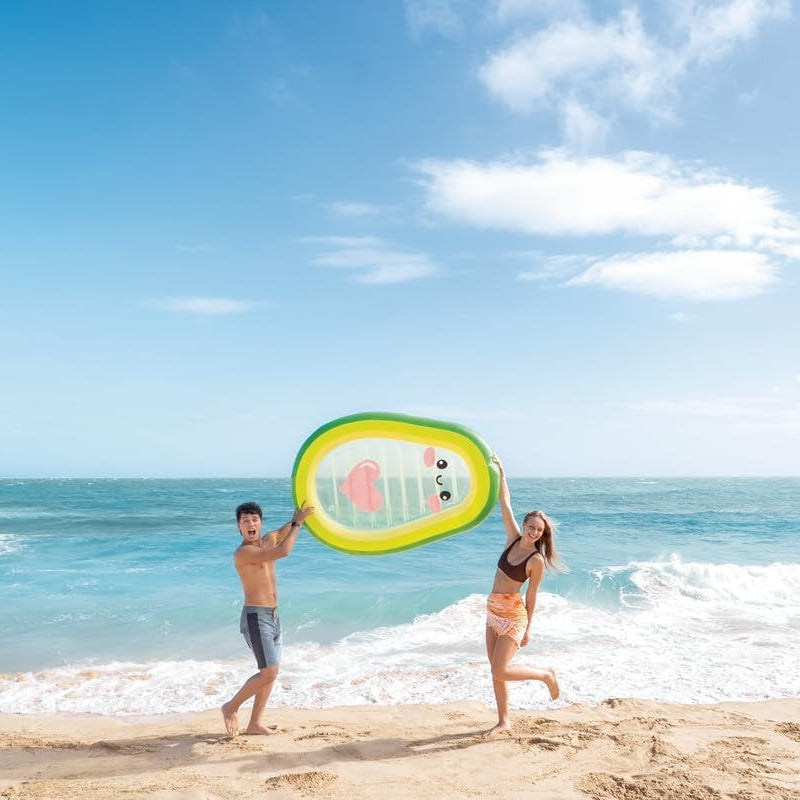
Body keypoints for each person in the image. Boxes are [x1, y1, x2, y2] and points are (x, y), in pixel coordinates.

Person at [221, 499, 314, 736]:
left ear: (260, 523)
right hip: (255, 617)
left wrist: (297, 519)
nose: (250, 524)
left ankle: (255, 724)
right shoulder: (243, 553)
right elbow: (283, 551)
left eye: (254, 519)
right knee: (269, 672)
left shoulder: (269, 538)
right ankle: (230, 707)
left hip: (273, 615)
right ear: (238, 528)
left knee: (269, 674)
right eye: (245, 521)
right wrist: (298, 525)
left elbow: (288, 528)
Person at [485, 456, 563, 736]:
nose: (533, 532)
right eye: (530, 527)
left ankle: (545, 675)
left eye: (538, 530)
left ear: (542, 535)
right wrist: (502, 473)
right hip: (492, 610)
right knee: (495, 671)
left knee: (500, 669)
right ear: (524, 525)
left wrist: (528, 627)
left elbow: (532, 597)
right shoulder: (512, 539)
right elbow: (504, 504)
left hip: (513, 616)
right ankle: (504, 720)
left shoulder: (535, 561)